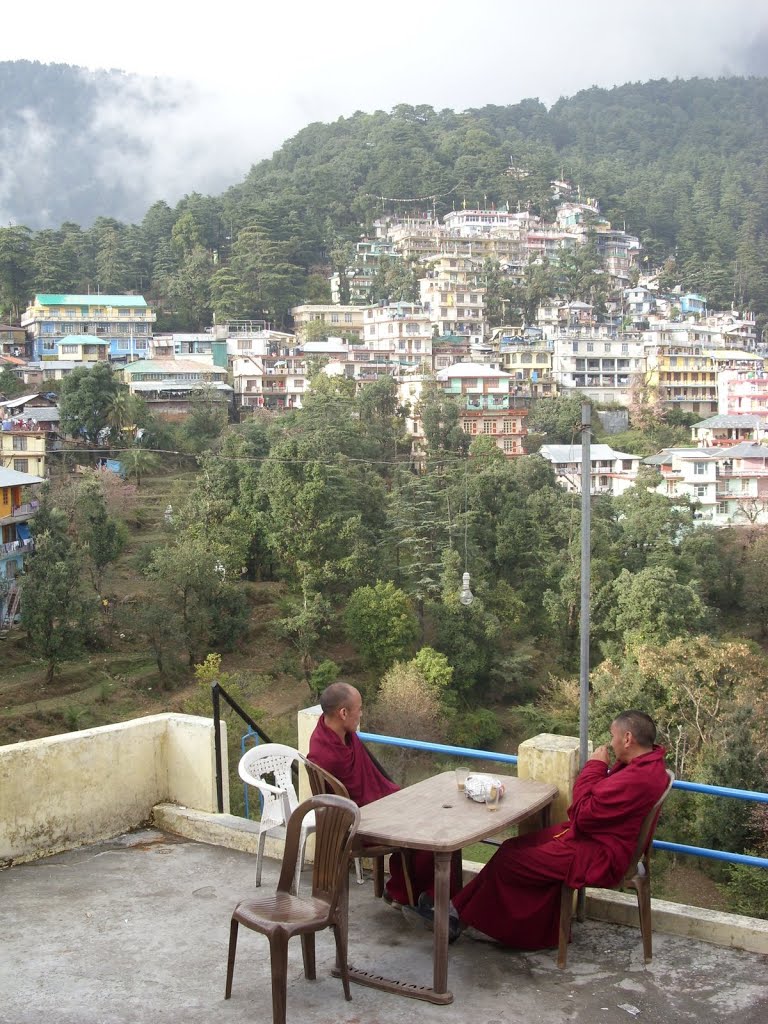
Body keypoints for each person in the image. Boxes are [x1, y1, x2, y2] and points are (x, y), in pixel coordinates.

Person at [415, 709, 669, 948]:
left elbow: (581, 812)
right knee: (512, 846)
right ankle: (455, 912)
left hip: (601, 854)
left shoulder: (637, 778)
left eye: (613, 737)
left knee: (511, 860)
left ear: (627, 739)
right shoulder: (652, 765)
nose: (610, 744)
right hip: (596, 839)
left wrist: (595, 766)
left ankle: (459, 917)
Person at [308, 681, 459, 906]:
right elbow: (359, 801)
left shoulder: (333, 731)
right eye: (359, 709)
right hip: (358, 822)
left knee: (429, 810)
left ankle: (405, 890)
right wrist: (399, 805)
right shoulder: (329, 754)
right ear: (343, 713)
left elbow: (366, 782)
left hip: (369, 806)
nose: (361, 714)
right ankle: (419, 896)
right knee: (435, 828)